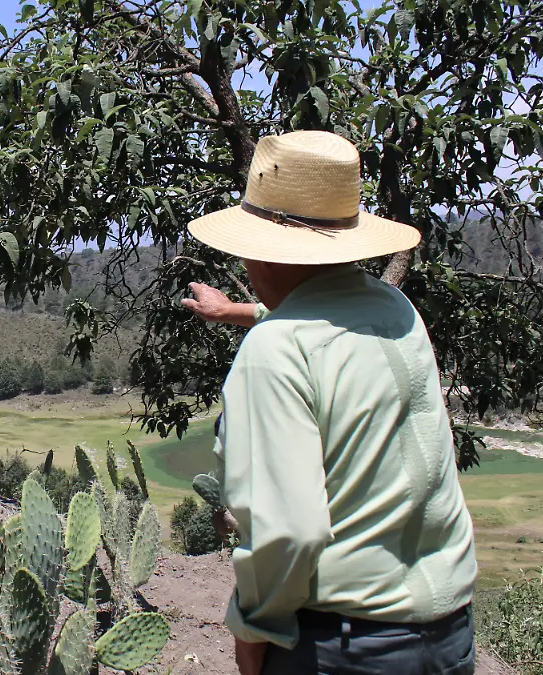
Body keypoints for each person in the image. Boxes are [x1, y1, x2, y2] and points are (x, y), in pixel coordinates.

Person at [180, 130, 478, 675]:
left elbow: (287, 531)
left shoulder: (273, 353)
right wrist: (238, 312)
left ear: (261, 250)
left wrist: (253, 632)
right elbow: (328, 334)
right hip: (448, 635)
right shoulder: (397, 310)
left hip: (342, 648)